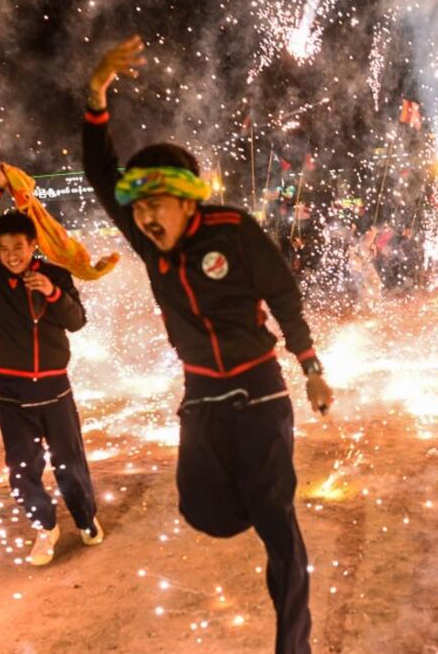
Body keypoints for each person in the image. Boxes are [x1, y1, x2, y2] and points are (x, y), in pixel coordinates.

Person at [82, 35, 334, 654]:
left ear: (186, 198)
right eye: (137, 209)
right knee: (204, 513)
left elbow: (285, 299)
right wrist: (95, 96)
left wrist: (312, 369)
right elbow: (99, 173)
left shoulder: (234, 232)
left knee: (278, 527)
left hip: (258, 391)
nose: (145, 219)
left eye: (157, 204)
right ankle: (257, 490)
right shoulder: (146, 241)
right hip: (200, 396)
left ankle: (293, 645)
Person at [0, 163, 102, 567]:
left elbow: (77, 322)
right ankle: (45, 528)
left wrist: (53, 293)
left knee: (70, 465)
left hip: (55, 391)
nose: (10, 257)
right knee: (21, 471)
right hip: (12, 394)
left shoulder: (54, 274)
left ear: (32, 245)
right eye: (3, 249)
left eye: (17, 248)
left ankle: (86, 519)